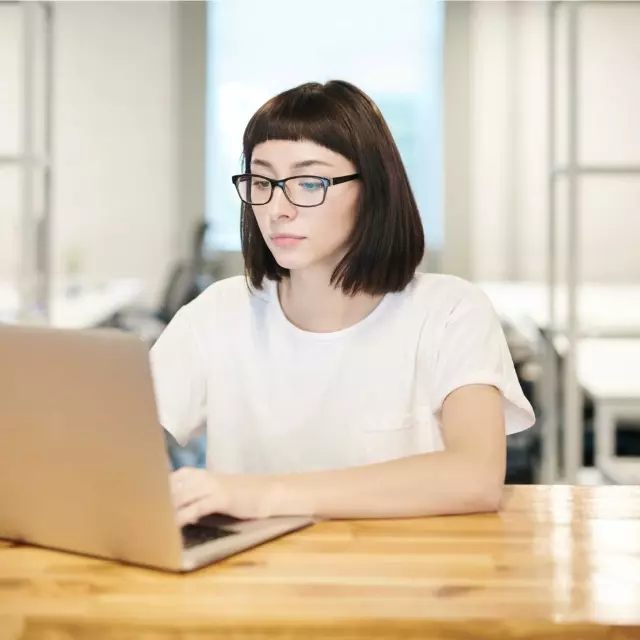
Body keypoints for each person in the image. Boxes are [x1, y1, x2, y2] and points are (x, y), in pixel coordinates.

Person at [151, 80, 535, 527]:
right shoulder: (217, 314)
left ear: (372, 190)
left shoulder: (450, 311)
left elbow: (476, 477)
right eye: (262, 180)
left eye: (309, 182)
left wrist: (261, 495)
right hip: (247, 583)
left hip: (405, 580)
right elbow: (108, 444)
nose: (277, 208)